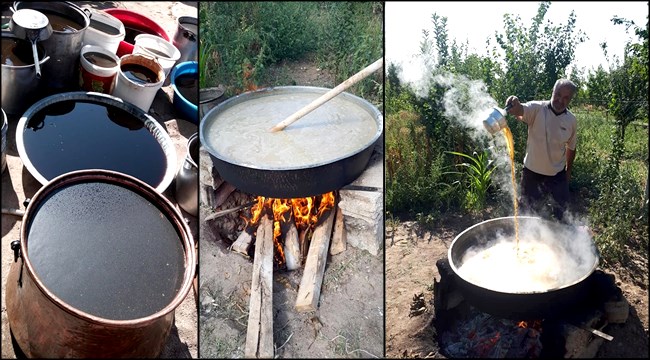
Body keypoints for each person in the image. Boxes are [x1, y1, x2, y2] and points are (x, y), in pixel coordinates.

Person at [505, 78, 578, 222]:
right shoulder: (537, 109)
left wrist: (567, 172)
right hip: (532, 174)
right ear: (552, 91)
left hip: (557, 175)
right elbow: (520, 110)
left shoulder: (571, 120)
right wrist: (514, 104)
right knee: (527, 212)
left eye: (565, 98)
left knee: (563, 213)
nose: (560, 100)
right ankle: (526, 241)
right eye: (558, 94)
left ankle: (564, 242)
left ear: (570, 100)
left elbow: (571, 147)